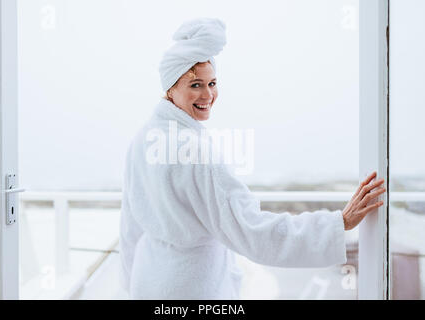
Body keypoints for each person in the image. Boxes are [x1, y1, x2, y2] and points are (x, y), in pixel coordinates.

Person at [119, 18, 386, 299]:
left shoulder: (143, 139)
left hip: (147, 281)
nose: (208, 94)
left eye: (212, 83)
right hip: (190, 290)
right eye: (196, 85)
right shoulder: (195, 151)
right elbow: (252, 230)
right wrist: (337, 223)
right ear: (170, 87)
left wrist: (128, 285)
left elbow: (130, 228)